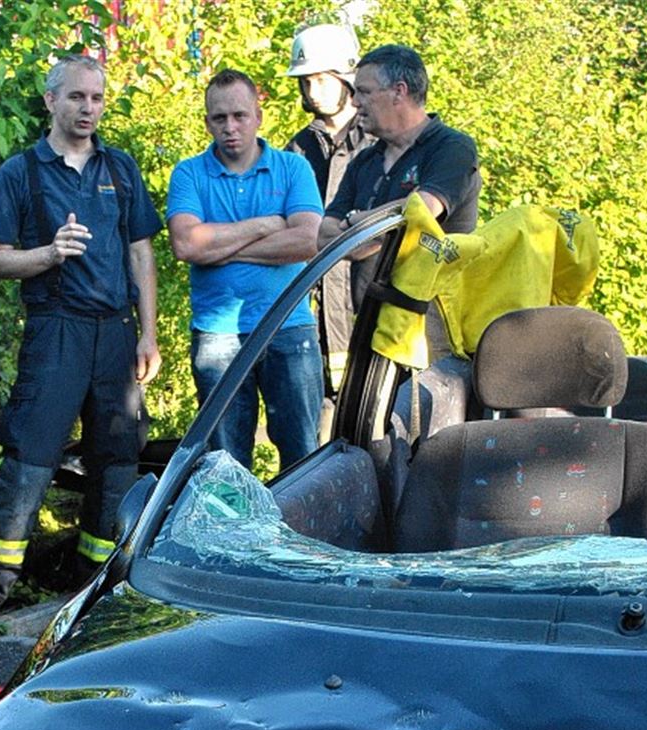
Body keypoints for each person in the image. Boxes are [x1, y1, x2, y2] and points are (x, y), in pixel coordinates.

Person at [0, 54, 161, 637]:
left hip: (116, 335)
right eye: (76, 97)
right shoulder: (21, 172)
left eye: (96, 98)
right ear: (50, 101)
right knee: (28, 462)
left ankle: (99, 592)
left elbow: (141, 252)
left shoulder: (120, 168)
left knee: (116, 464)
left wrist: (149, 333)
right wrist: (47, 254)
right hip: (56, 332)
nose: (88, 108)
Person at [167, 69, 323, 471]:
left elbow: (307, 241)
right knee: (224, 463)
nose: (230, 127)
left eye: (239, 116)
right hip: (217, 334)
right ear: (207, 122)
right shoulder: (189, 173)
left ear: (258, 115)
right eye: (219, 119)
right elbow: (186, 244)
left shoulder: (293, 168)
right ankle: (233, 535)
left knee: (302, 456)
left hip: (288, 328)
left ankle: (298, 532)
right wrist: (264, 225)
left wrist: (217, 247)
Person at [316, 43, 481, 355]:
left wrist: (355, 220)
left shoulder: (451, 148)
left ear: (399, 91)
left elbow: (423, 212)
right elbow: (324, 238)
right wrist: (385, 226)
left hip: (431, 335)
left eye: (363, 91)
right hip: (371, 329)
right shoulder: (363, 162)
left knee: (417, 406)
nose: (354, 102)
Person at [285, 22, 372, 412]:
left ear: (346, 78)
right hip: (318, 322)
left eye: (321, 80)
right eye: (305, 82)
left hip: (372, 311)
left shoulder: (380, 143)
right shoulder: (299, 149)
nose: (312, 92)